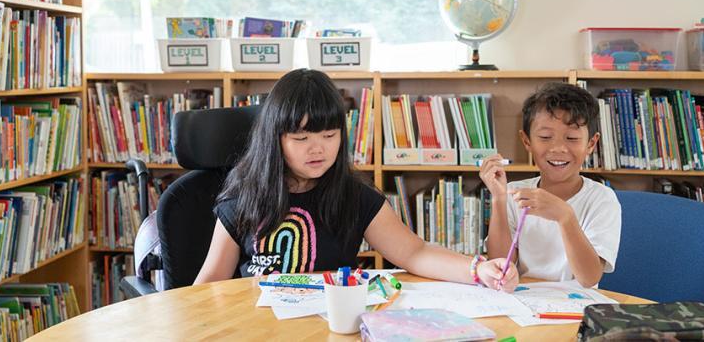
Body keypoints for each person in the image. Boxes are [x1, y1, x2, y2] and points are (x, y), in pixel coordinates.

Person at [195, 68, 518, 290]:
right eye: (301, 139)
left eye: (329, 135)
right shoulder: (243, 197)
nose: (317, 149)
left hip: (329, 322)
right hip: (257, 325)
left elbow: (414, 253)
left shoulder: (354, 195)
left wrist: (477, 269)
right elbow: (210, 283)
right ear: (274, 139)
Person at [480, 82, 621, 288]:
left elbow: (589, 278)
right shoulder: (515, 194)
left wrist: (565, 216)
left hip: (576, 307)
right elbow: (501, 265)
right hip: (523, 302)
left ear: (591, 144)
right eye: (545, 137)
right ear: (527, 141)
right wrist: (499, 199)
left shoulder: (602, 199)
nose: (558, 148)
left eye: (572, 138)